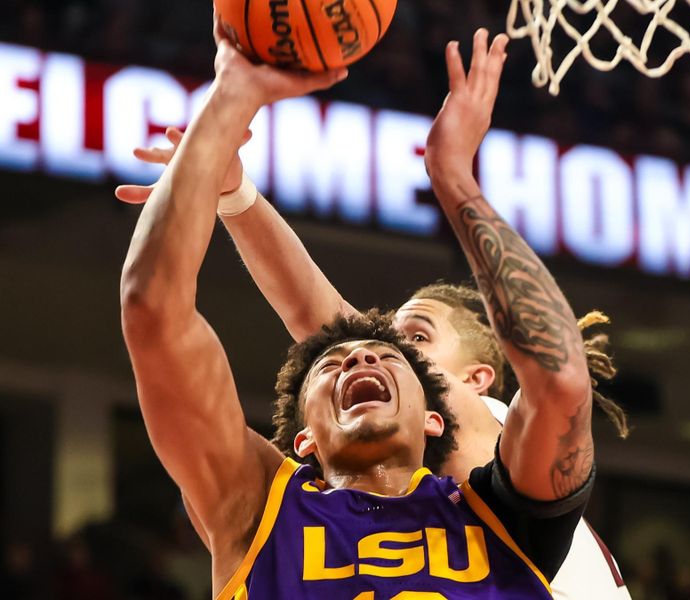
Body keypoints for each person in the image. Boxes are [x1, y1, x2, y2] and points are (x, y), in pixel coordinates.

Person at [118, 39, 631, 600]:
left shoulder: (492, 480)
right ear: (302, 440)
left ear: (439, 413)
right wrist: (227, 101)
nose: (364, 350)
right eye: (333, 362)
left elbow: (560, 376)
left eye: (406, 345)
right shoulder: (261, 506)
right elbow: (154, 313)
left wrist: (456, 177)